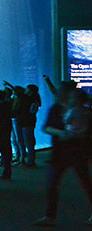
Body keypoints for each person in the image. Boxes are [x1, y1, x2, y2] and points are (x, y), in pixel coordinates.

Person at [33, 89, 92, 227]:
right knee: (53, 184)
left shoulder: (81, 112)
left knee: (85, 184)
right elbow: (46, 127)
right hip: (61, 153)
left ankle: (50, 216)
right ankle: (50, 216)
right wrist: (60, 132)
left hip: (77, 152)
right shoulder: (61, 109)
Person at [23, 84, 41, 167]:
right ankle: (31, 160)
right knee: (30, 141)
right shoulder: (35, 100)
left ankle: (31, 161)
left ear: (30, 91)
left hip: (28, 123)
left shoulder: (31, 101)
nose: (25, 91)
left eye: (27, 89)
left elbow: (30, 112)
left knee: (29, 142)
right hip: (30, 122)